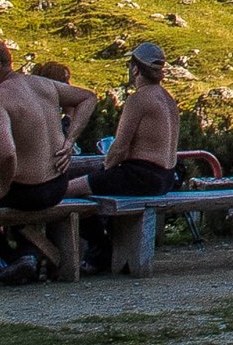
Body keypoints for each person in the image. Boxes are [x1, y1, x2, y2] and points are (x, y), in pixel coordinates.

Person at [0, 40, 96, 284]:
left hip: (28, 191)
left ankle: (13, 260)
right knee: (2, 203)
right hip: (57, 185)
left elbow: (6, 153)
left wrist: (4, 185)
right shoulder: (42, 85)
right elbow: (88, 98)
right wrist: (70, 140)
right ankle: (29, 252)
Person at [68, 43, 181, 273]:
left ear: (136, 70)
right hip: (165, 176)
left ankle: (100, 249)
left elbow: (119, 147)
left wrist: (104, 170)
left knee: (67, 190)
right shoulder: (168, 100)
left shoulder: (139, 99)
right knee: (92, 188)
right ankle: (102, 251)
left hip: (140, 175)